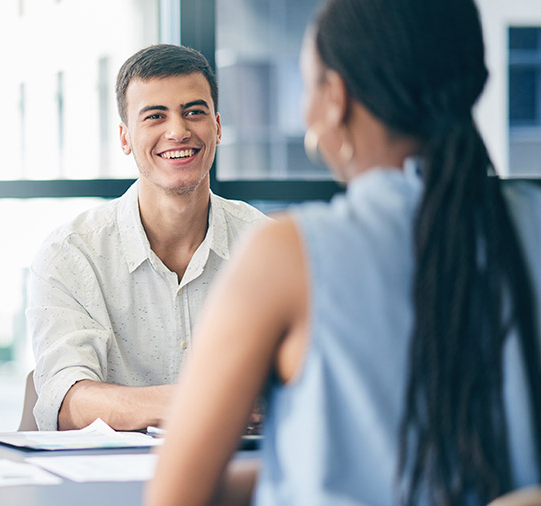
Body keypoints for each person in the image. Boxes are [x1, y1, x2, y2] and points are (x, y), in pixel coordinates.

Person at [147, 0, 541, 504]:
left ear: (335, 98)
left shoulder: (287, 254)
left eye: (307, 83)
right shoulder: (526, 223)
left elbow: (175, 496)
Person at [28, 44, 268, 431]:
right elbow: (65, 401)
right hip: (112, 481)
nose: (178, 131)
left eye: (194, 112)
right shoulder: (71, 253)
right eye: (155, 116)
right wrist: (201, 401)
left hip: (245, 474)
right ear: (125, 138)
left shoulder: (267, 246)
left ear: (218, 128)